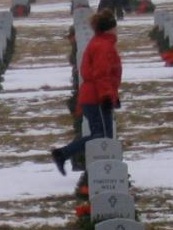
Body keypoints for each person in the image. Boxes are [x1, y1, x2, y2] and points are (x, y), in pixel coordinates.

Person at [51, 9, 122, 175]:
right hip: (96, 97)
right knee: (102, 137)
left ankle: (63, 154)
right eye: (114, 27)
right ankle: (63, 154)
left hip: (94, 95)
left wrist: (113, 95)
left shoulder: (101, 43)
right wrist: (106, 96)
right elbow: (101, 74)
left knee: (100, 135)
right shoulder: (103, 46)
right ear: (109, 28)